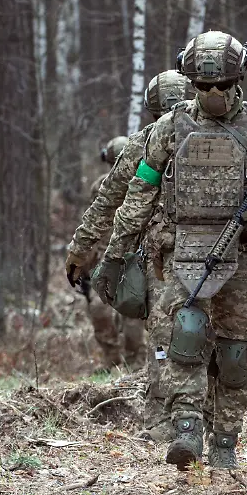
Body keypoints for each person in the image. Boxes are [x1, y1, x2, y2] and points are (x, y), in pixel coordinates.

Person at [95, 31, 247, 470]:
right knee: (183, 339)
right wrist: (115, 253)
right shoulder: (169, 129)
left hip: (243, 257)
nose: (213, 94)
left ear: (238, 80)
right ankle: (187, 426)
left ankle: (225, 442)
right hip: (182, 252)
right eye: (203, 85)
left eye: (222, 85)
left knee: (234, 354)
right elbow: (140, 193)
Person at [65, 69, 195, 442]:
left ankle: (163, 417)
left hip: (163, 254)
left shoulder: (149, 140)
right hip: (192, 253)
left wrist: (81, 249)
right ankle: (192, 417)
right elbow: (109, 201)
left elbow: (110, 202)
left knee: (161, 334)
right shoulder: (229, 127)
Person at [84, 136, 146, 370]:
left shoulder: (145, 184)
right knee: (98, 309)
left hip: (135, 256)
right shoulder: (100, 187)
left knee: (132, 312)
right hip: (105, 256)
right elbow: (93, 225)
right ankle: (112, 359)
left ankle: (135, 362)